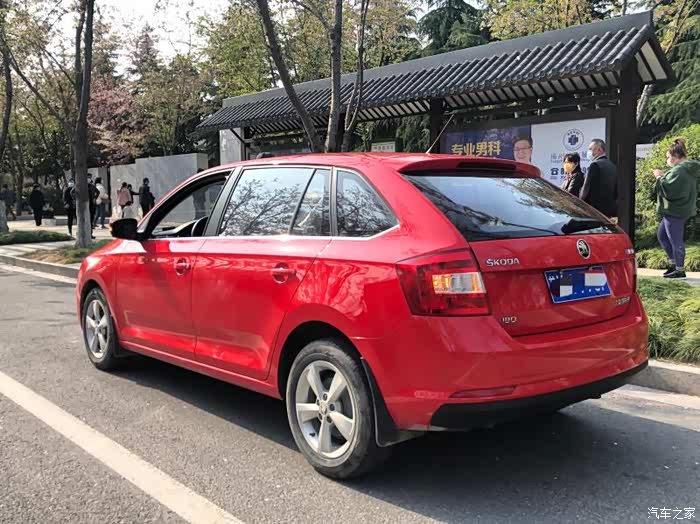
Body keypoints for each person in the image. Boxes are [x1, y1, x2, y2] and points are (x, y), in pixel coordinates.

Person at [653, 138, 700, 280]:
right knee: (662, 236)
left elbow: (669, 189)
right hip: (680, 208)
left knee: (675, 240)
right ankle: (674, 265)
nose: (667, 160)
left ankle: (679, 270)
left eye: (668, 157)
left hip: (675, 210)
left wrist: (658, 177)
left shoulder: (679, 170)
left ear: (675, 156)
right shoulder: (688, 168)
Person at [581, 139, 617, 217]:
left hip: (594, 211)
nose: (588, 152)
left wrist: (580, 204)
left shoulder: (595, 165)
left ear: (599, 150)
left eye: (590, 149)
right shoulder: (612, 166)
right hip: (608, 212)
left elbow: (586, 190)